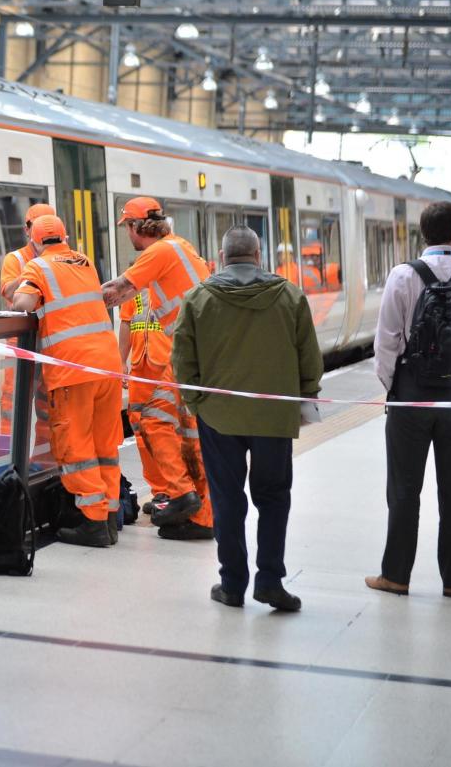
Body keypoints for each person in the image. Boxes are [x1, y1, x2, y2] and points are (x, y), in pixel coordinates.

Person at [171, 225, 322, 612]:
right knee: (273, 498)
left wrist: (196, 401)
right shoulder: (288, 295)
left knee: (227, 499)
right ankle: (270, 581)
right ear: (258, 256)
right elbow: (309, 357)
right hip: (274, 417)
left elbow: (183, 358)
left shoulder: (198, 298)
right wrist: (305, 399)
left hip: (218, 416)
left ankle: (232, 584)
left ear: (221, 258)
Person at [365, 201, 451, 598]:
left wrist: (393, 388)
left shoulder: (403, 276)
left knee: (403, 489)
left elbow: (387, 341)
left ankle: (396, 575)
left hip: (411, 394)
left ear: (422, 233)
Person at [102, 197, 214, 536]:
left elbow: (117, 292)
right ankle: (200, 513)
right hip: (198, 350)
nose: (128, 237)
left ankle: (182, 496)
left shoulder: (159, 252)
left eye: (128, 229)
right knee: (189, 431)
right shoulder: (181, 247)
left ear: (138, 228)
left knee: (155, 419)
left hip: (189, 352)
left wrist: (71, 302)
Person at [11, 214, 124, 547]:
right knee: (105, 444)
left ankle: (93, 522)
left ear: (34, 240)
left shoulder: (36, 267)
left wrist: (25, 294)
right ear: (65, 237)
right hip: (107, 363)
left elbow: (23, 302)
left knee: (76, 444)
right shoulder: (85, 262)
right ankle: (109, 516)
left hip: (72, 367)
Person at [117, 289, 210, 539]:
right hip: (140, 367)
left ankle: (181, 492)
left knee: (176, 433)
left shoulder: (174, 278)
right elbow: (127, 322)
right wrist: (121, 361)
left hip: (168, 366)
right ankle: (162, 492)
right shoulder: (133, 285)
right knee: (142, 433)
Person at [0, 203, 53, 307]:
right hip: (28, 322)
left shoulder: (66, 257)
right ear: (27, 230)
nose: (42, 232)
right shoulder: (15, 258)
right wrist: (30, 275)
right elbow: (8, 294)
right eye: (37, 227)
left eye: (48, 227)